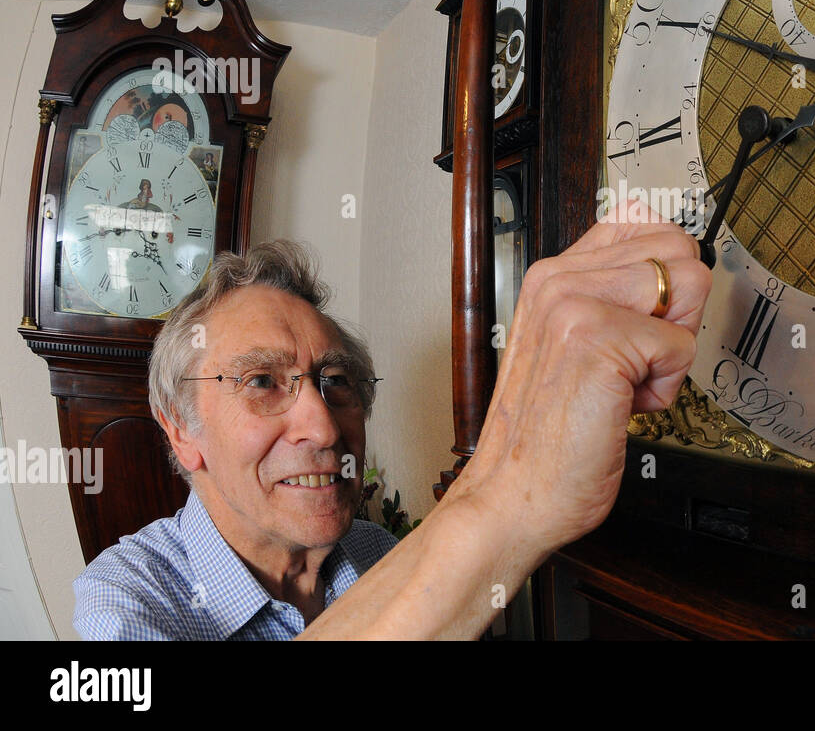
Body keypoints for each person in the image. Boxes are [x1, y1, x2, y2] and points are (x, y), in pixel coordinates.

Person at [72, 199, 709, 639]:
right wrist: (509, 495)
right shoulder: (125, 598)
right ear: (181, 428)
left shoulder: (379, 553)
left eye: (337, 382)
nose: (322, 429)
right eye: (262, 382)